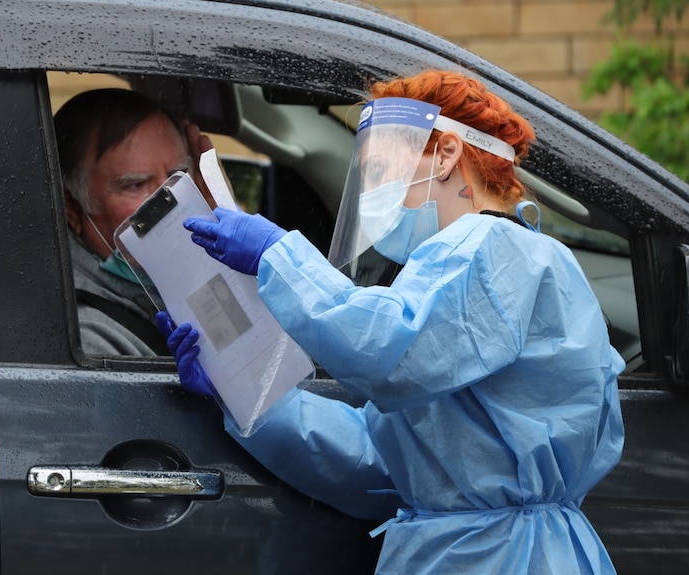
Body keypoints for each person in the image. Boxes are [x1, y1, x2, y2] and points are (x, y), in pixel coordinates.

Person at [159, 70, 624, 574]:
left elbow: (383, 350)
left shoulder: (490, 252)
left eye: (380, 170)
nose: (372, 193)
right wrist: (246, 390)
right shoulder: (477, 266)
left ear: (446, 155)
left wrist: (278, 254)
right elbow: (379, 462)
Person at [55, 88, 212, 356]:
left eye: (178, 175)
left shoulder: (164, 282)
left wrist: (215, 249)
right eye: (137, 184)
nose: (169, 202)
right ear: (72, 208)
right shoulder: (87, 338)